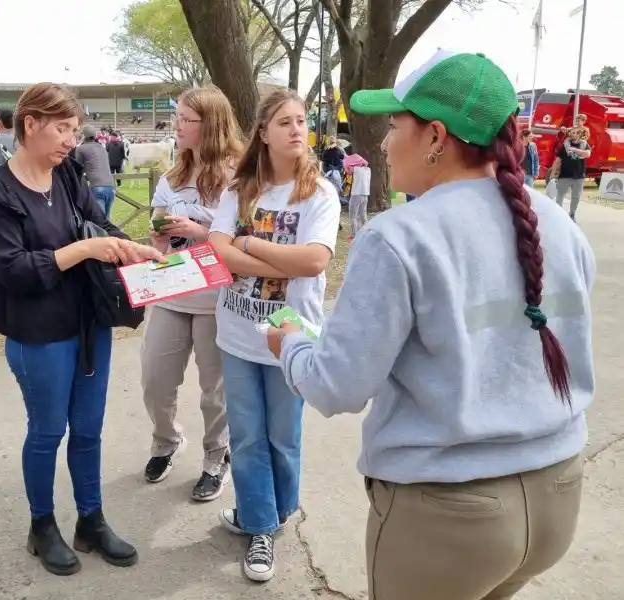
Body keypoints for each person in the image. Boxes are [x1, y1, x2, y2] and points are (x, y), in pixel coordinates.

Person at [270, 50, 594, 600]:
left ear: (436, 137)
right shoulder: (559, 224)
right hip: (557, 494)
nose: (385, 142)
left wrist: (292, 343)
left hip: (448, 516)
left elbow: (336, 386)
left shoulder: (399, 236)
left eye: (395, 125)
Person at [0, 83, 163, 577]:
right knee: (47, 432)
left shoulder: (68, 174)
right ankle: (41, 526)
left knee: (88, 429)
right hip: (39, 332)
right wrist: (82, 251)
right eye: (62, 129)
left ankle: (90, 520)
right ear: (30, 123)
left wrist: (134, 250)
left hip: (89, 323)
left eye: (74, 130)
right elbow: (13, 269)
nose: (69, 140)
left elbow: (99, 225)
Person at [208, 89, 340, 582]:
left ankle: (274, 510)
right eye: (285, 122)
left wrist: (248, 244)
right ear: (263, 133)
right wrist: (271, 258)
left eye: (301, 120)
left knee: (284, 436)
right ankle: (260, 525)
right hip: (238, 332)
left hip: (290, 336)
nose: (296, 129)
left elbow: (315, 260)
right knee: (246, 435)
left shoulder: (319, 193)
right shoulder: (240, 190)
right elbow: (218, 249)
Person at [141, 86, 243, 500]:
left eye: (186, 119)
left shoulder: (239, 176)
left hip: (216, 294)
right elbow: (158, 230)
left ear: (212, 124)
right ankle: (166, 441)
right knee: (155, 378)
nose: (176, 125)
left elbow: (245, 237)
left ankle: (217, 456)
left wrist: (201, 231)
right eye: (177, 117)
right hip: (172, 287)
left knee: (214, 389)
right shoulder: (172, 176)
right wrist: (159, 234)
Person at [549, 123, 591, 221]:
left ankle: (572, 214)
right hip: (565, 175)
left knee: (576, 197)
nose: (571, 134)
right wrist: (553, 173)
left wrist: (574, 150)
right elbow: (558, 160)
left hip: (579, 176)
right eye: (571, 133)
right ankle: (558, 214)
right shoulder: (565, 145)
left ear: (579, 134)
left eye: (574, 132)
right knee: (560, 195)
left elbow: (587, 154)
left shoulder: (584, 144)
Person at [75, 124, 116, 215]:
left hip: (97, 186)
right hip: (111, 186)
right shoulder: (102, 148)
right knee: (107, 219)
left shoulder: (81, 149)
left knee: (98, 219)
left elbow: (77, 167)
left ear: (84, 136)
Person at [348, 162, 371, 238]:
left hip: (356, 194)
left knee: (353, 216)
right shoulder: (368, 170)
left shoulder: (356, 169)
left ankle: (354, 235)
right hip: (365, 194)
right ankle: (366, 233)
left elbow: (348, 169)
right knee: (363, 215)